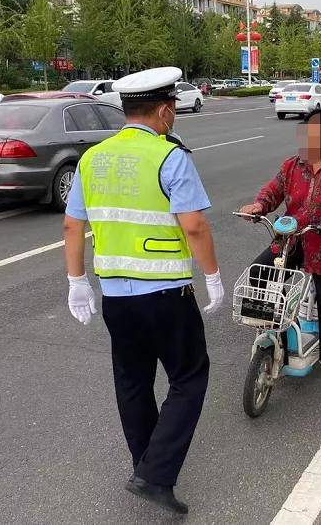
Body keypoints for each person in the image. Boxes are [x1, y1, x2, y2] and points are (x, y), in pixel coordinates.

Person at [62, 67, 223, 515]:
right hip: (167, 293)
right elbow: (193, 224)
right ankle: (154, 475)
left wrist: (77, 283)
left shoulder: (94, 157)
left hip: (116, 297)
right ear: (167, 110)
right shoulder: (169, 157)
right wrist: (212, 276)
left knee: (133, 382)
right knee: (189, 378)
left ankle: (145, 466)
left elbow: (74, 224)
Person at [239, 109, 321, 390]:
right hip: (291, 241)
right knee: (259, 276)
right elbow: (272, 191)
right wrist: (258, 206)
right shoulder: (292, 166)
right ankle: (278, 334)